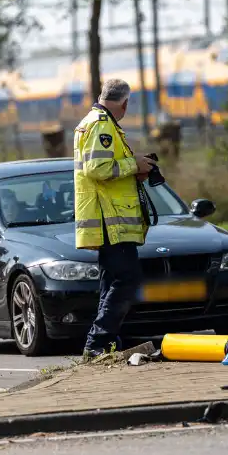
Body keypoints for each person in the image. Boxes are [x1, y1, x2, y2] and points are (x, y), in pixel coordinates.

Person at [72, 79, 157, 358]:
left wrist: (137, 170)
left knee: (112, 282)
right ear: (125, 103)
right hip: (112, 221)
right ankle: (97, 342)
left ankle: (103, 344)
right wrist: (135, 165)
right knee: (127, 280)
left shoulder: (97, 122)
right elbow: (97, 168)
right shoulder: (101, 125)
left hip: (109, 219)